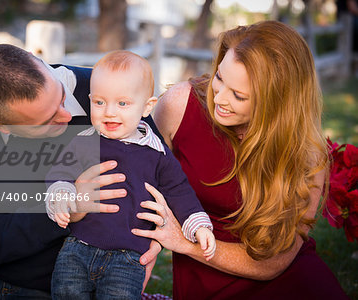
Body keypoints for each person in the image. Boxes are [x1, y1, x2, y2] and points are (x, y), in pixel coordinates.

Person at [0, 44, 161, 299]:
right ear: (1, 128)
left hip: (67, 279)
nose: (66, 116)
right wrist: (64, 208)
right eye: (47, 120)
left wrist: (156, 238)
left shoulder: (109, 96)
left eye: (61, 97)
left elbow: (163, 179)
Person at [132, 21, 349, 299]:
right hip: (202, 281)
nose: (219, 98)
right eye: (219, 78)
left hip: (286, 281)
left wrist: (184, 242)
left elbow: (274, 262)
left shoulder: (307, 154)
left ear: (276, 102)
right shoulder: (180, 104)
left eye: (239, 96)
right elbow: (136, 173)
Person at [45, 50, 216, 299]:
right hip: (78, 247)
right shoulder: (85, 142)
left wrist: (198, 225)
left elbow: (179, 190)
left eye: (122, 103)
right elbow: (60, 171)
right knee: (65, 292)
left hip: (128, 256)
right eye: (99, 102)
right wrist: (61, 194)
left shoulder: (156, 152)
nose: (109, 112)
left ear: (147, 106)